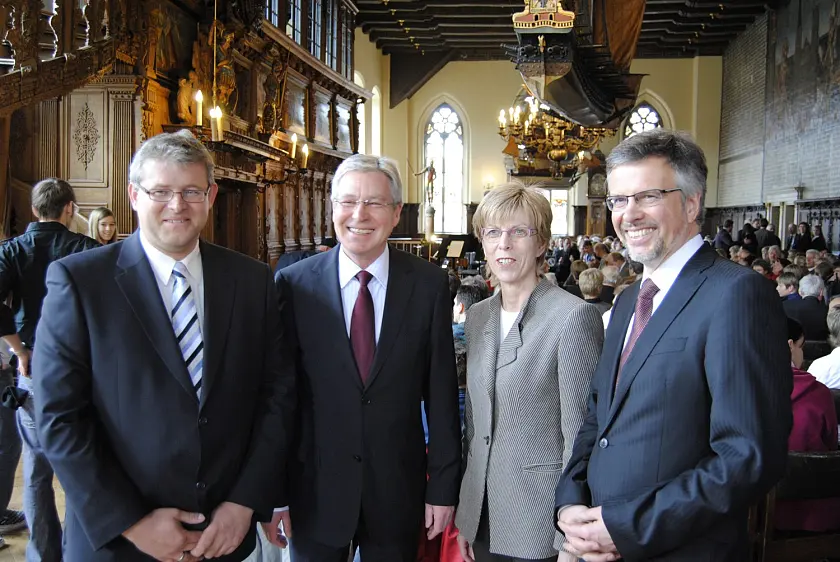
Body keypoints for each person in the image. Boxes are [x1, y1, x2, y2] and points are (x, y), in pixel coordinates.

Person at [32, 130, 296, 562]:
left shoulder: (251, 282)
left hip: (223, 535)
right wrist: (131, 522)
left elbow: (277, 396)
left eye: (191, 191)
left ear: (211, 195)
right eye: (161, 191)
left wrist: (245, 501)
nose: (177, 205)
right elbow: (60, 416)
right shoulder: (80, 282)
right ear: (135, 195)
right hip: (119, 542)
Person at [554, 129, 791, 561]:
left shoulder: (736, 294)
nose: (629, 214)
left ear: (692, 202)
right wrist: (570, 502)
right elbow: (598, 417)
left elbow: (747, 456)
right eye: (618, 201)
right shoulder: (628, 301)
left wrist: (625, 528)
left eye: (647, 196)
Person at [267, 154, 461, 562]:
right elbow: (280, 399)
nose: (359, 214)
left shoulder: (428, 286)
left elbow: (442, 396)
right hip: (313, 492)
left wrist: (443, 489)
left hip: (397, 494)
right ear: (333, 208)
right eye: (348, 201)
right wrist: (274, 494)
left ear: (395, 214)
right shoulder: (293, 284)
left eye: (374, 203)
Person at [454, 183, 602, 562]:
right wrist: (468, 516)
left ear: (541, 244)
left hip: (540, 521)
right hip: (483, 513)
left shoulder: (572, 317)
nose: (504, 243)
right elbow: (475, 425)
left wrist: (571, 540)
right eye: (493, 232)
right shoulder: (478, 316)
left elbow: (581, 437)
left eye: (519, 231)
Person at [0, 177, 100, 562]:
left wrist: (17, 347)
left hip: (34, 362)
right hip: (81, 364)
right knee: (80, 461)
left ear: (33, 210)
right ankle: (77, 549)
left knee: (37, 467)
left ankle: (43, 554)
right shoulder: (86, 249)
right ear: (70, 209)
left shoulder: (12, 251)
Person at [775, 318, 840, 532]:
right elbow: (830, 445)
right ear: (790, 345)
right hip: (815, 513)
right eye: (801, 347)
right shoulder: (818, 393)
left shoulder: (740, 387)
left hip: (751, 514)